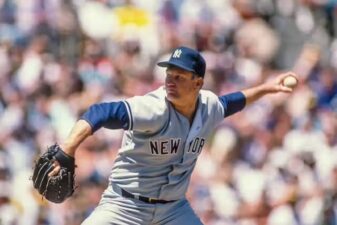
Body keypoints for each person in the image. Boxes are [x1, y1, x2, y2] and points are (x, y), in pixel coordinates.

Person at [48, 46, 297, 225]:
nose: (171, 81)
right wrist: (67, 148)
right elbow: (100, 112)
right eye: (169, 75)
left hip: (173, 210)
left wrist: (266, 88)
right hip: (124, 206)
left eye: (179, 76)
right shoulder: (153, 108)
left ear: (198, 83)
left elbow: (234, 101)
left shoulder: (209, 106)